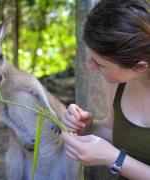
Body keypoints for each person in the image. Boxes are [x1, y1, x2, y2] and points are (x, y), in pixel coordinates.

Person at [61, 0, 150, 179]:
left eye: (100, 63)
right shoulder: (120, 82)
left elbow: (114, 155)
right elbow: (115, 130)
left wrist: (114, 159)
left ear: (139, 67)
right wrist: (89, 127)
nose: (89, 65)